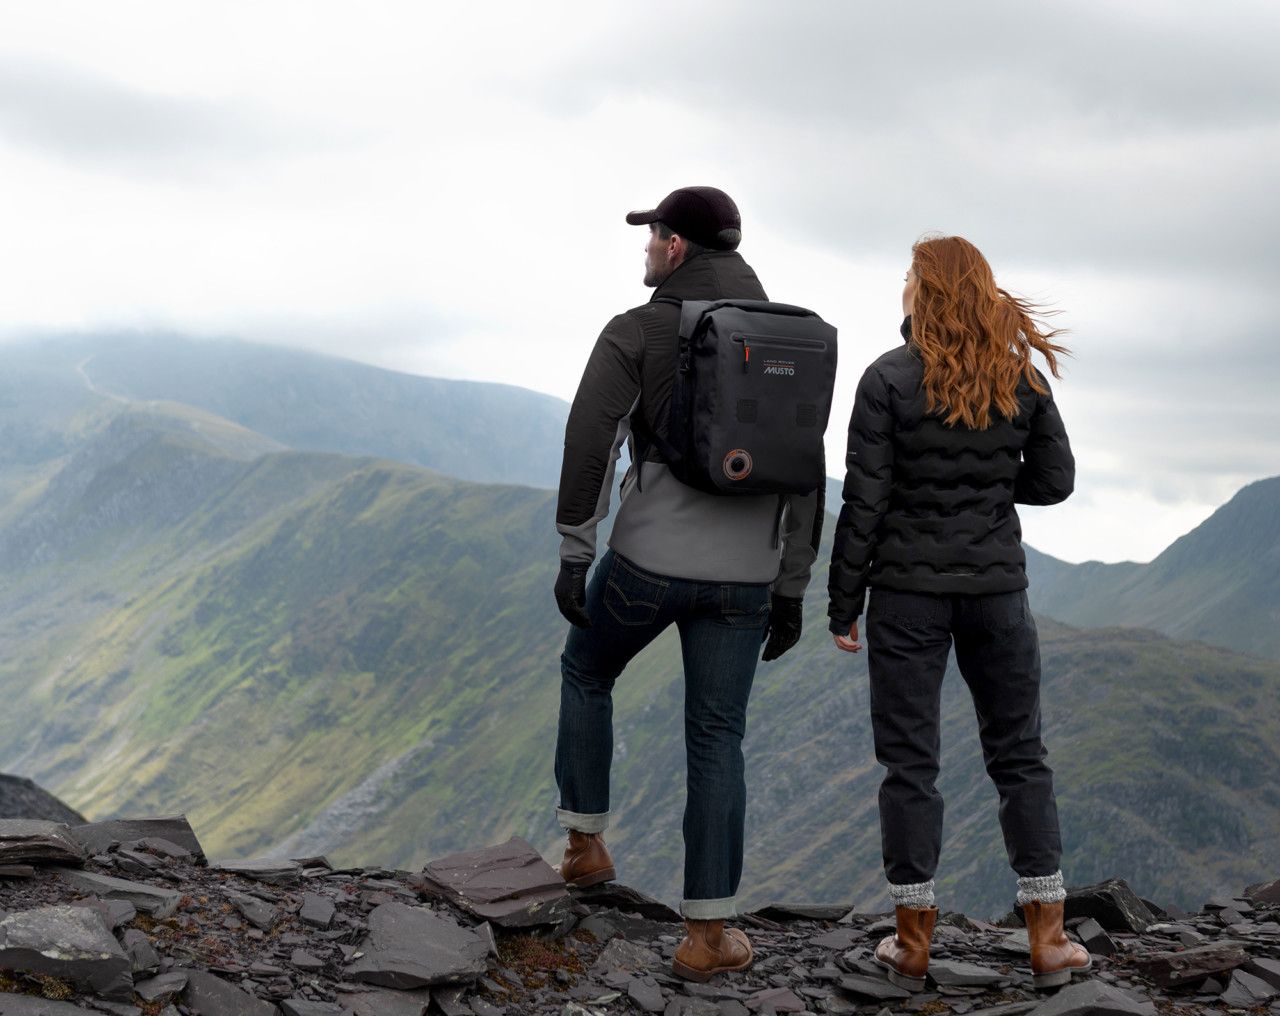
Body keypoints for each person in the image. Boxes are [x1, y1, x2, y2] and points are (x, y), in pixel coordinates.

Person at [552, 186, 823, 982]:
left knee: (587, 667)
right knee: (717, 737)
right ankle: (707, 937)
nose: (646, 247)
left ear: (676, 248)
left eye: (654, 235)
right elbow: (807, 476)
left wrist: (576, 548)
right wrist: (791, 587)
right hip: (746, 581)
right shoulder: (793, 338)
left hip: (645, 565)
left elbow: (589, 440)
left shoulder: (637, 329)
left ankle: (585, 844)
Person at [827, 235, 1090, 991]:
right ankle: (1048, 937)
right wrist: (986, 493)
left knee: (911, 765)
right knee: (1020, 756)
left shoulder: (887, 378)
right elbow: (1056, 481)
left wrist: (845, 602)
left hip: (907, 595)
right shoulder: (1021, 378)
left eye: (911, 278)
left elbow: (865, 502)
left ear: (927, 291)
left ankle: (912, 943)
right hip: (998, 593)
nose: (904, 287)